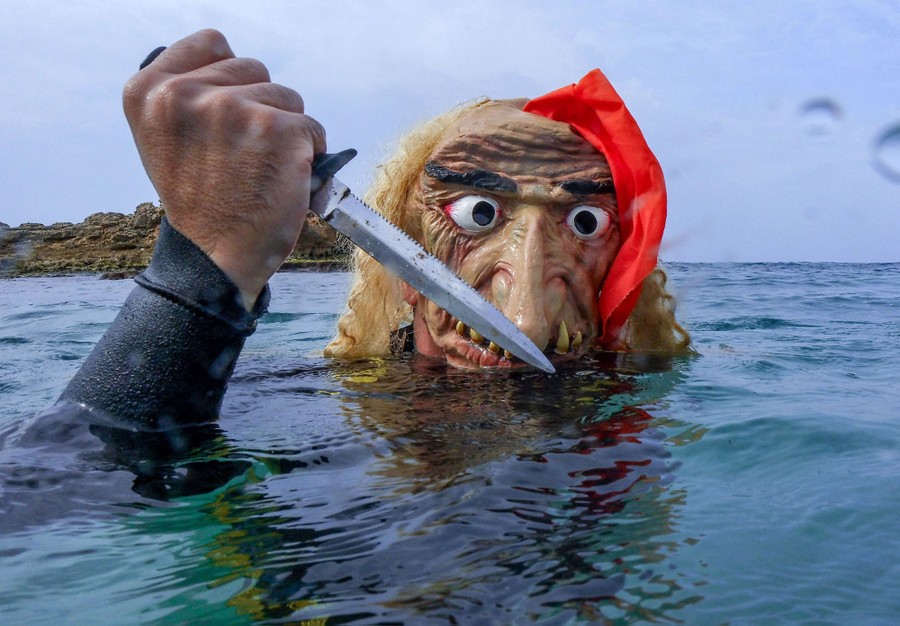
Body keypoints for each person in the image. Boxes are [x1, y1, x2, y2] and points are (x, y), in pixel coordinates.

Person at [60, 29, 689, 430]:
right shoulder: (272, 407)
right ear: (403, 254)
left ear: (624, 266)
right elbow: (62, 496)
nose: (524, 320)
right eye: (476, 214)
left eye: (586, 224)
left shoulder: (664, 393)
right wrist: (203, 270)